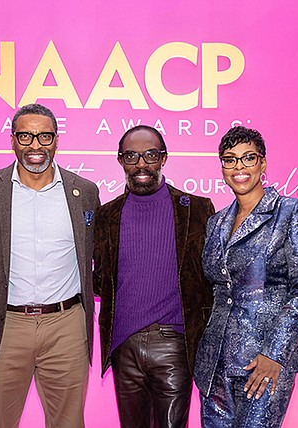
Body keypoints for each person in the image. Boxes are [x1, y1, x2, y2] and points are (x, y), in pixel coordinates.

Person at [0, 103, 100, 428]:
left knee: (68, 423)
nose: (35, 145)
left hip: (66, 326)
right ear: (12, 140)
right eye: (26, 136)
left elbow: (99, 254)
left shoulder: (84, 193)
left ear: (56, 140)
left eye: (44, 136)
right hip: (6, 325)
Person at [193, 126, 298, 427]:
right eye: (230, 159)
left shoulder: (291, 212)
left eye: (248, 158)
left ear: (263, 163)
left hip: (262, 362)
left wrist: (275, 354)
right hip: (215, 363)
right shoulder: (215, 222)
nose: (239, 167)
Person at [93, 125, 215, 428]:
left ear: (163, 158)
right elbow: (100, 279)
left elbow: (210, 278)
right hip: (124, 346)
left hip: (174, 344)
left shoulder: (197, 209)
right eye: (132, 156)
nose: (141, 164)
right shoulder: (107, 215)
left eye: (150, 155)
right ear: (120, 160)